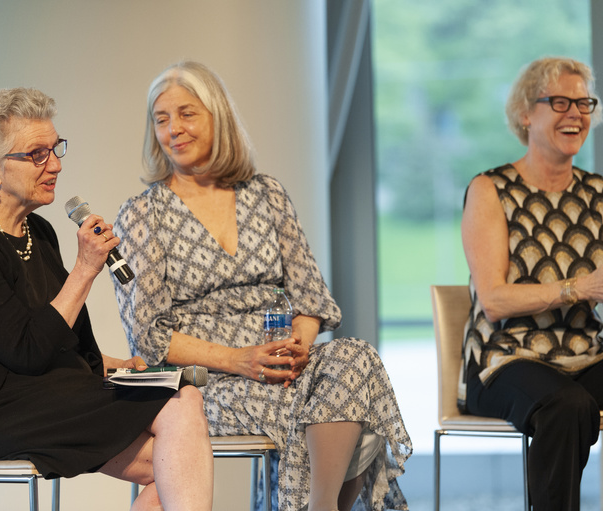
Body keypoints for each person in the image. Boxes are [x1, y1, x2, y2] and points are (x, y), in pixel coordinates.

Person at [111, 61, 412, 511]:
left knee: (357, 359)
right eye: (161, 118)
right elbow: (149, 337)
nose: (174, 128)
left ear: (218, 117)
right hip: (205, 381)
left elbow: (311, 299)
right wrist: (242, 361)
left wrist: (294, 350)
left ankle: (320, 506)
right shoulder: (142, 214)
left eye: (187, 113)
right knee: (328, 408)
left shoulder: (266, 194)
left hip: (281, 363)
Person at [0, 87, 213, 511]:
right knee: (179, 418)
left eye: (55, 148)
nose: (55, 164)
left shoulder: (38, 232)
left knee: (176, 452)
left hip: (49, 395)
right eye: (37, 154)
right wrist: (84, 270)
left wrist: (112, 364)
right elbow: (25, 350)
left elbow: (62, 336)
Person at [460, 56, 603, 510]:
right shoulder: (489, 189)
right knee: (568, 406)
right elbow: (495, 301)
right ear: (525, 113)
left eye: (583, 103)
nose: (575, 113)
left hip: (584, 356)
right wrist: (579, 287)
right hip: (504, 359)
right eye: (559, 102)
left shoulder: (601, 191)